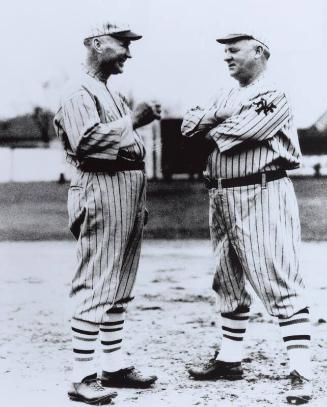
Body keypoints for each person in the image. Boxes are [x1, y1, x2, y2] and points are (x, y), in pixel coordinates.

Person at [181, 32, 312, 405]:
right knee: (226, 279)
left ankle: (302, 369)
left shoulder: (274, 93)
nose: (226, 56)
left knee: (278, 276)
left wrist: (213, 122)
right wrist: (216, 116)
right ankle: (229, 360)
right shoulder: (224, 95)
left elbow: (237, 133)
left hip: (262, 190)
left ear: (259, 52)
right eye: (224, 50)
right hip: (220, 193)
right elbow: (187, 128)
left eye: (233, 50)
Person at [54, 22, 161, 405]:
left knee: (119, 282)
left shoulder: (104, 91)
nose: (129, 53)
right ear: (97, 44)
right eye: (122, 44)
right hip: (101, 186)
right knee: (97, 280)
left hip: (125, 188)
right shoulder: (77, 91)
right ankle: (81, 377)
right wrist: (134, 119)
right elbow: (87, 144)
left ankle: (112, 365)